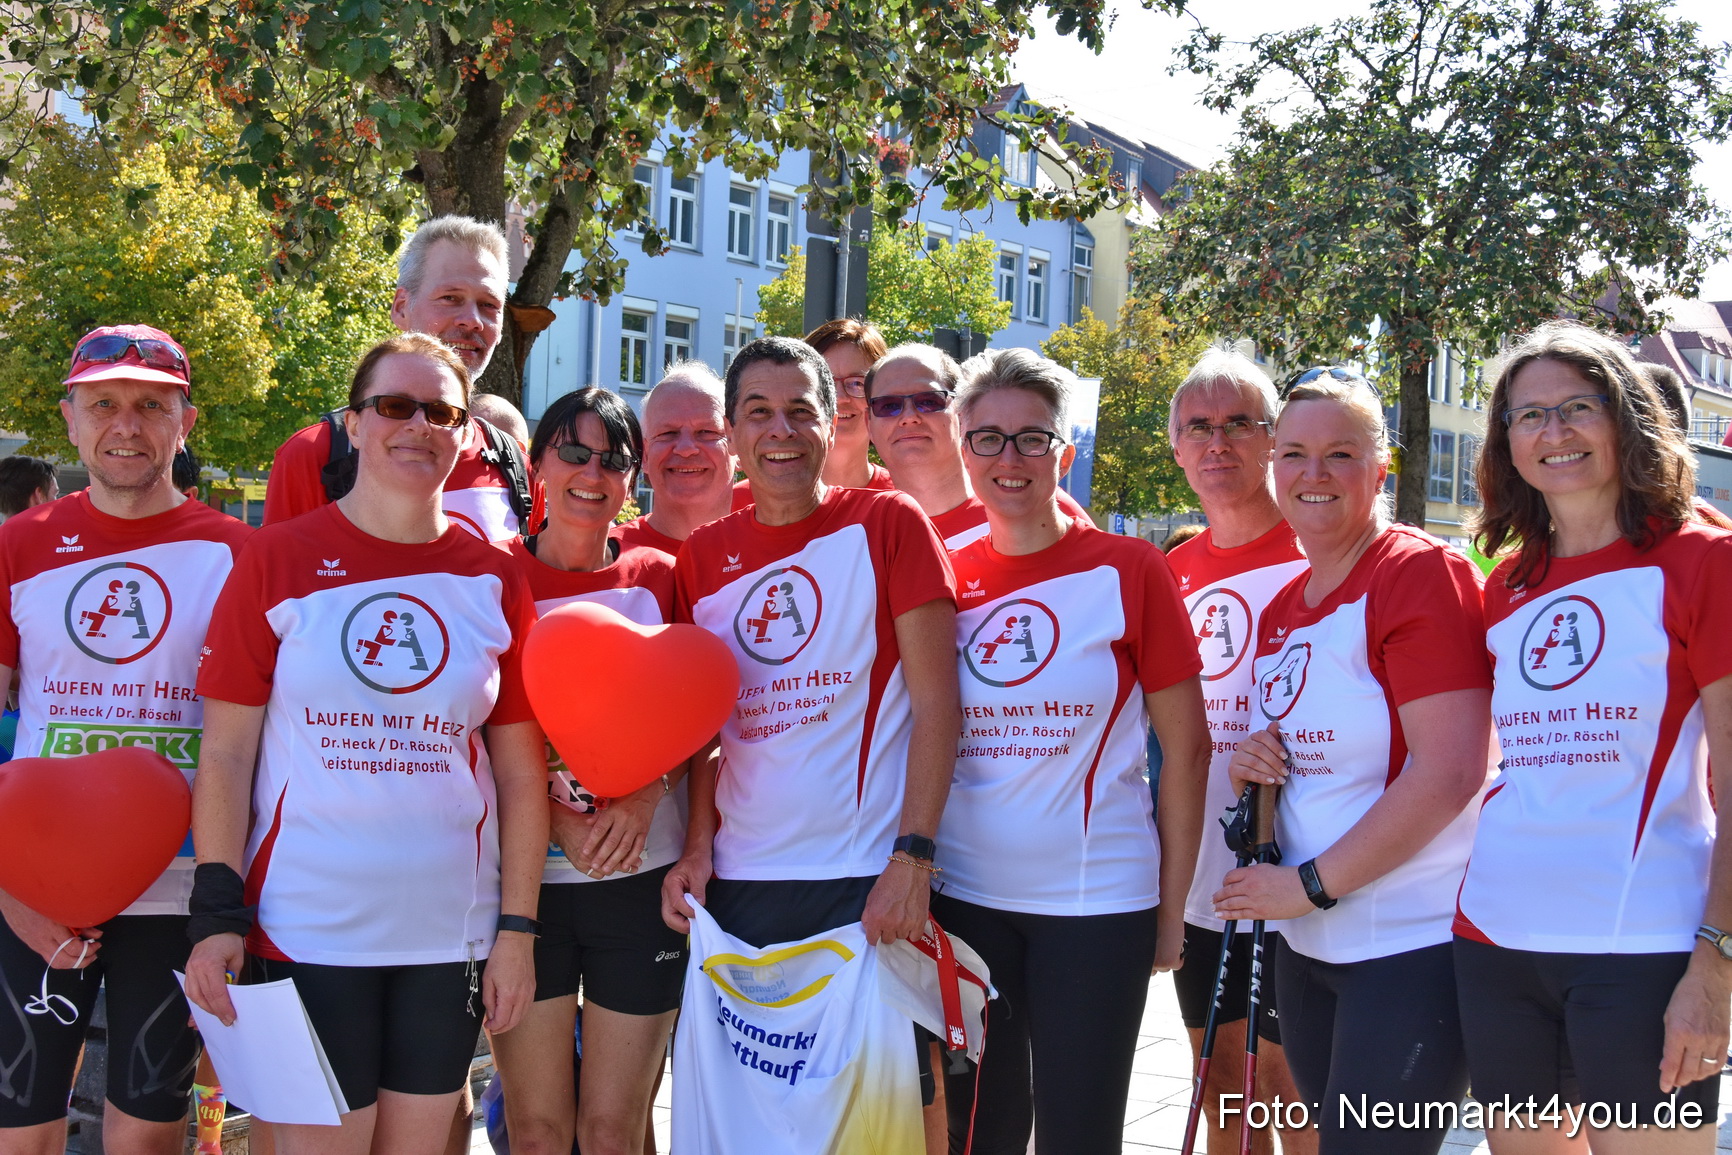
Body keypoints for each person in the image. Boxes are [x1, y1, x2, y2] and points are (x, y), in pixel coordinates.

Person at [184, 333, 548, 1155]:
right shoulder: (276, 558)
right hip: (304, 929)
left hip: (448, 937)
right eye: (395, 405)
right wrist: (217, 913)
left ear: (466, 435)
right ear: (353, 423)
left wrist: (519, 929)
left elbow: (521, 774)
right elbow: (227, 756)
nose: (418, 425)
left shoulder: (496, 577)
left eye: (443, 411)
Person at [1454, 322, 1732, 1151]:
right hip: (1496, 941)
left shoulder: (1703, 562)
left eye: (1579, 406)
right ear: (1506, 441)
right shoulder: (1506, 583)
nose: (1554, 431)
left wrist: (1717, 963)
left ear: (1627, 421)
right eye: (1528, 415)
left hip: (1644, 948)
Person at [930, 348, 1209, 1155]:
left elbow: (1186, 749)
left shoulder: (1130, 568)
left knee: (1078, 1133)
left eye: (1031, 438)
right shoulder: (941, 575)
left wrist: (1171, 906)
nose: (1008, 459)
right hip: (966, 900)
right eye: (986, 438)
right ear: (961, 445)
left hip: (1096, 906)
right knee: (979, 1132)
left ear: (1066, 450)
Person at [1219, 366, 1494, 1155]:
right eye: (1296, 453)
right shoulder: (1284, 604)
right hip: (1307, 948)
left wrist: (1306, 886)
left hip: (1408, 947)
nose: (1314, 474)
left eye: (1341, 453)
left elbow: (1449, 771)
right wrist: (1254, 767)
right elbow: (1305, 759)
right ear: (1273, 465)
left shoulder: (1417, 574)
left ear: (1382, 466)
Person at [0, 324, 251, 1155]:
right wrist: (8, 892)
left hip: (177, 888)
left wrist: (226, 904)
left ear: (186, 420)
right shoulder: (18, 546)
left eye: (152, 405)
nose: (127, 424)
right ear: (69, 419)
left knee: (145, 1134)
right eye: (103, 403)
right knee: (19, 1131)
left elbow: (253, 739)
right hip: (32, 890)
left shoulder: (239, 554)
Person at [662, 335, 959, 950]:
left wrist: (914, 859)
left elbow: (938, 705)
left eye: (801, 411)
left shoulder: (890, 523)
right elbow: (703, 735)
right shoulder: (701, 557)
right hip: (739, 879)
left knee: (875, 1054)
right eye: (759, 413)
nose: (781, 431)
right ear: (734, 433)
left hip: (866, 874)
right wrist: (696, 850)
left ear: (830, 424)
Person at [488, 386, 688, 1155]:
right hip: (523, 890)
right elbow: (470, 733)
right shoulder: (489, 574)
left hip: (639, 882)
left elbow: (701, 711)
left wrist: (644, 795)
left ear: (632, 478)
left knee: (615, 1130)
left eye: (613, 459)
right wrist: (558, 816)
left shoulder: (661, 574)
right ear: (538, 464)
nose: (591, 472)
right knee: (538, 1130)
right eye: (573, 451)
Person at [1163, 350, 1312, 1155]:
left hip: (1300, 872)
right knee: (1223, 1085)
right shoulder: (1169, 573)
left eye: (1238, 425)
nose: (1217, 443)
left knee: (1293, 1093)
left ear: (1272, 439)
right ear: (1177, 447)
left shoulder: (1317, 550)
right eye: (1198, 427)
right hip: (1202, 885)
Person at [262, 216, 531, 541]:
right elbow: (280, 585)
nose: (472, 320)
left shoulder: (515, 466)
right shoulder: (314, 455)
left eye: (489, 305)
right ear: (401, 307)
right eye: (451, 298)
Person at [864, 343, 1088, 548]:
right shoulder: (860, 534)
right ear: (868, 423)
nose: (909, 417)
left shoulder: (1035, 503)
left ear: (961, 414)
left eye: (929, 401)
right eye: (888, 405)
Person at [615, 362, 735, 554]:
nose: (686, 449)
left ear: (736, 445)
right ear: (644, 455)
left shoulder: (778, 556)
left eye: (706, 431)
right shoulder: (605, 559)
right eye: (668, 433)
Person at [0, 456, 57, 521]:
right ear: (40, 495)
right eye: (55, 494)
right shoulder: (61, 530)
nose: (57, 501)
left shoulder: (4, 530)